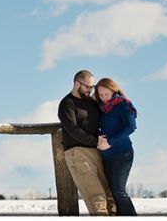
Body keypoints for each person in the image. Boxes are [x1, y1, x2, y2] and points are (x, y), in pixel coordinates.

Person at [57, 70, 117, 216]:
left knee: (109, 198)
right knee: (97, 198)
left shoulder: (92, 103)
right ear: (77, 83)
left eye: (92, 87)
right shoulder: (67, 104)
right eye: (87, 87)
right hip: (77, 153)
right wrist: (95, 141)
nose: (90, 90)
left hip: (96, 152)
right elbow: (73, 130)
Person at [94, 77, 138, 216]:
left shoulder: (122, 105)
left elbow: (131, 127)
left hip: (122, 153)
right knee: (111, 192)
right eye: (100, 95)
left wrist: (110, 141)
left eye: (106, 94)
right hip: (106, 156)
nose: (104, 98)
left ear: (114, 91)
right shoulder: (102, 108)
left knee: (119, 191)